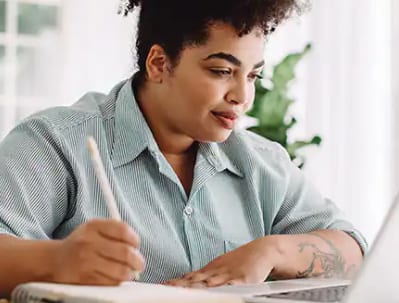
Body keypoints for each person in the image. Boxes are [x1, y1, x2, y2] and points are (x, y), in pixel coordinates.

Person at [0, 0, 367, 297]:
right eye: (222, 71)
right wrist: (58, 260)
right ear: (159, 64)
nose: (242, 96)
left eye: (253, 75)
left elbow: (353, 251)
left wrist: (270, 250)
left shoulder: (261, 163)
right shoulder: (57, 141)